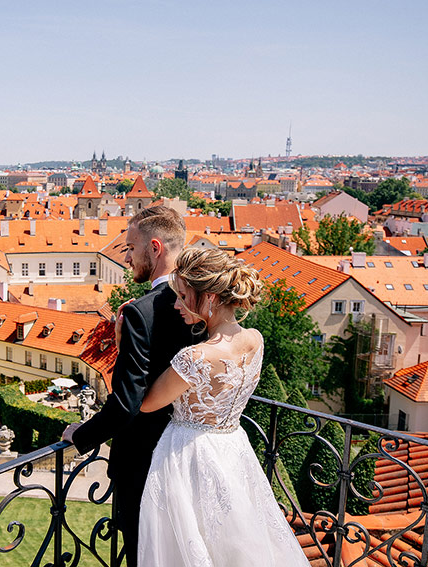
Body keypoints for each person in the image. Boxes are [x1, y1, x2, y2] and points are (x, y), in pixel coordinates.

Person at [137, 247, 309, 566]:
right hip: (234, 450)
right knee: (237, 541)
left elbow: (147, 403)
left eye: (184, 295)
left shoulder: (196, 358)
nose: (177, 304)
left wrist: (123, 342)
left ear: (211, 299)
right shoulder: (254, 340)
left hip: (190, 456)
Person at [62, 206, 205, 567]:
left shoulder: (141, 312)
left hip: (144, 464)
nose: (126, 257)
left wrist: (80, 437)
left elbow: (127, 403)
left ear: (155, 248)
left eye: (130, 247)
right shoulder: (204, 302)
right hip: (194, 455)